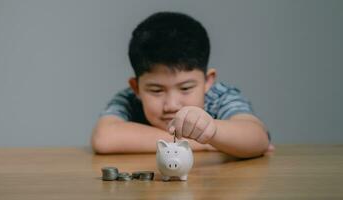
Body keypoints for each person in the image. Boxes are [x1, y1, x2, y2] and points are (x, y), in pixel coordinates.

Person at [91, 12, 273, 158]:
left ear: (208, 81)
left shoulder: (220, 96)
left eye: (185, 88)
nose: (172, 105)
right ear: (136, 87)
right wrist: (203, 143)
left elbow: (257, 137)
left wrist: (212, 131)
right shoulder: (129, 100)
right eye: (156, 90)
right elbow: (104, 138)